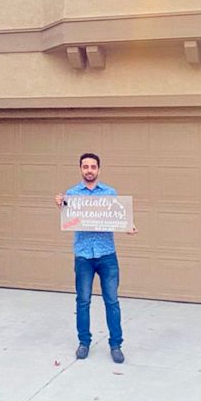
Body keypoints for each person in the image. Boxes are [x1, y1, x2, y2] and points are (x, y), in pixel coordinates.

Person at [54, 152, 137, 364]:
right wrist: (59, 203)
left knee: (112, 301)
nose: (89, 170)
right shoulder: (71, 195)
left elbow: (118, 218)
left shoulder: (110, 193)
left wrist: (128, 226)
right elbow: (68, 217)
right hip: (83, 255)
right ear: (80, 169)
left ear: (99, 169)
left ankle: (116, 345)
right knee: (83, 301)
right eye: (85, 166)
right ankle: (84, 342)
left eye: (93, 166)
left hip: (107, 255)